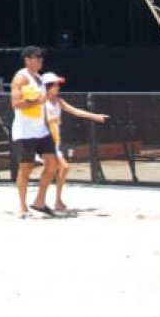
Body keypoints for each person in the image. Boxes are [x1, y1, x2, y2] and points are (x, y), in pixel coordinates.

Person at [41, 73, 108, 213]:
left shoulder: (58, 101)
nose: (58, 87)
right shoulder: (40, 102)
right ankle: (50, 200)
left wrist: (95, 117)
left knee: (56, 169)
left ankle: (52, 200)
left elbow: (75, 111)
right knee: (62, 167)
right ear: (47, 86)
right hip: (43, 140)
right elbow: (35, 120)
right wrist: (50, 119)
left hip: (54, 141)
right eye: (55, 85)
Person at [10, 45, 59, 217]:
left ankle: (39, 200)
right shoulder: (20, 78)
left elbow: (43, 103)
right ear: (28, 60)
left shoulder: (38, 78)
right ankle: (22, 206)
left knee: (53, 163)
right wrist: (37, 101)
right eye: (37, 57)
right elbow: (16, 103)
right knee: (26, 167)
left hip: (41, 129)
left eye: (41, 57)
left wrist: (46, 124)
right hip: (25, 132)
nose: (40, 60)